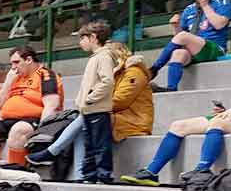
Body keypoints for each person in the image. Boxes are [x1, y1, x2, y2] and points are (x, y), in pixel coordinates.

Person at [123, 44, 231, 185]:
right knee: (178, 125)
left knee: (218, 123)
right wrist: (227, 111)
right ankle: (151, 171)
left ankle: (202, 169)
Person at [28, 42, 153, 171]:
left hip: (134, 121)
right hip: (117, 116)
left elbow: (122, 101)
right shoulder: (118, 72)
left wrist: (93, 104)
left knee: (87, 117)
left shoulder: (134, 73)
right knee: (86, 120)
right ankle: (79, 174)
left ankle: (53, 151)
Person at [148, 0, 231, 93]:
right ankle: (171, 88)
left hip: (215, 48)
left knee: (183, 37)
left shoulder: (220, 1)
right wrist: (176, 26)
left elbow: (220, 24)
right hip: (194, 50)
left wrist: (205, 5)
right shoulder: (189, 9)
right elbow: (180, 37)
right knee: (178, 53)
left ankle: (155, 68)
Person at [0, 46, 63, 164]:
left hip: (33, 120)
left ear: (29, 60)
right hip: (9, 121)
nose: (13, 67)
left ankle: (17, 169)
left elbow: (51, 105)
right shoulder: (15, 77)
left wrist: (42, 131)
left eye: (16, 62)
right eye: (11, 63)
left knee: (18, 130)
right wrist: (8, 82)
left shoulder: (46, 75)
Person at [72, 21, 117, 184]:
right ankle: (90, 175)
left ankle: (103, 175)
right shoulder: (96, 58)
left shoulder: (103, 57)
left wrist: (90, 98)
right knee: (90, 146)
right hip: (89, 110)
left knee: (100, 145)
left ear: (93, 37)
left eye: (82, 38)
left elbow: (107, 82)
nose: (80, 43)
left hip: (97, 109)